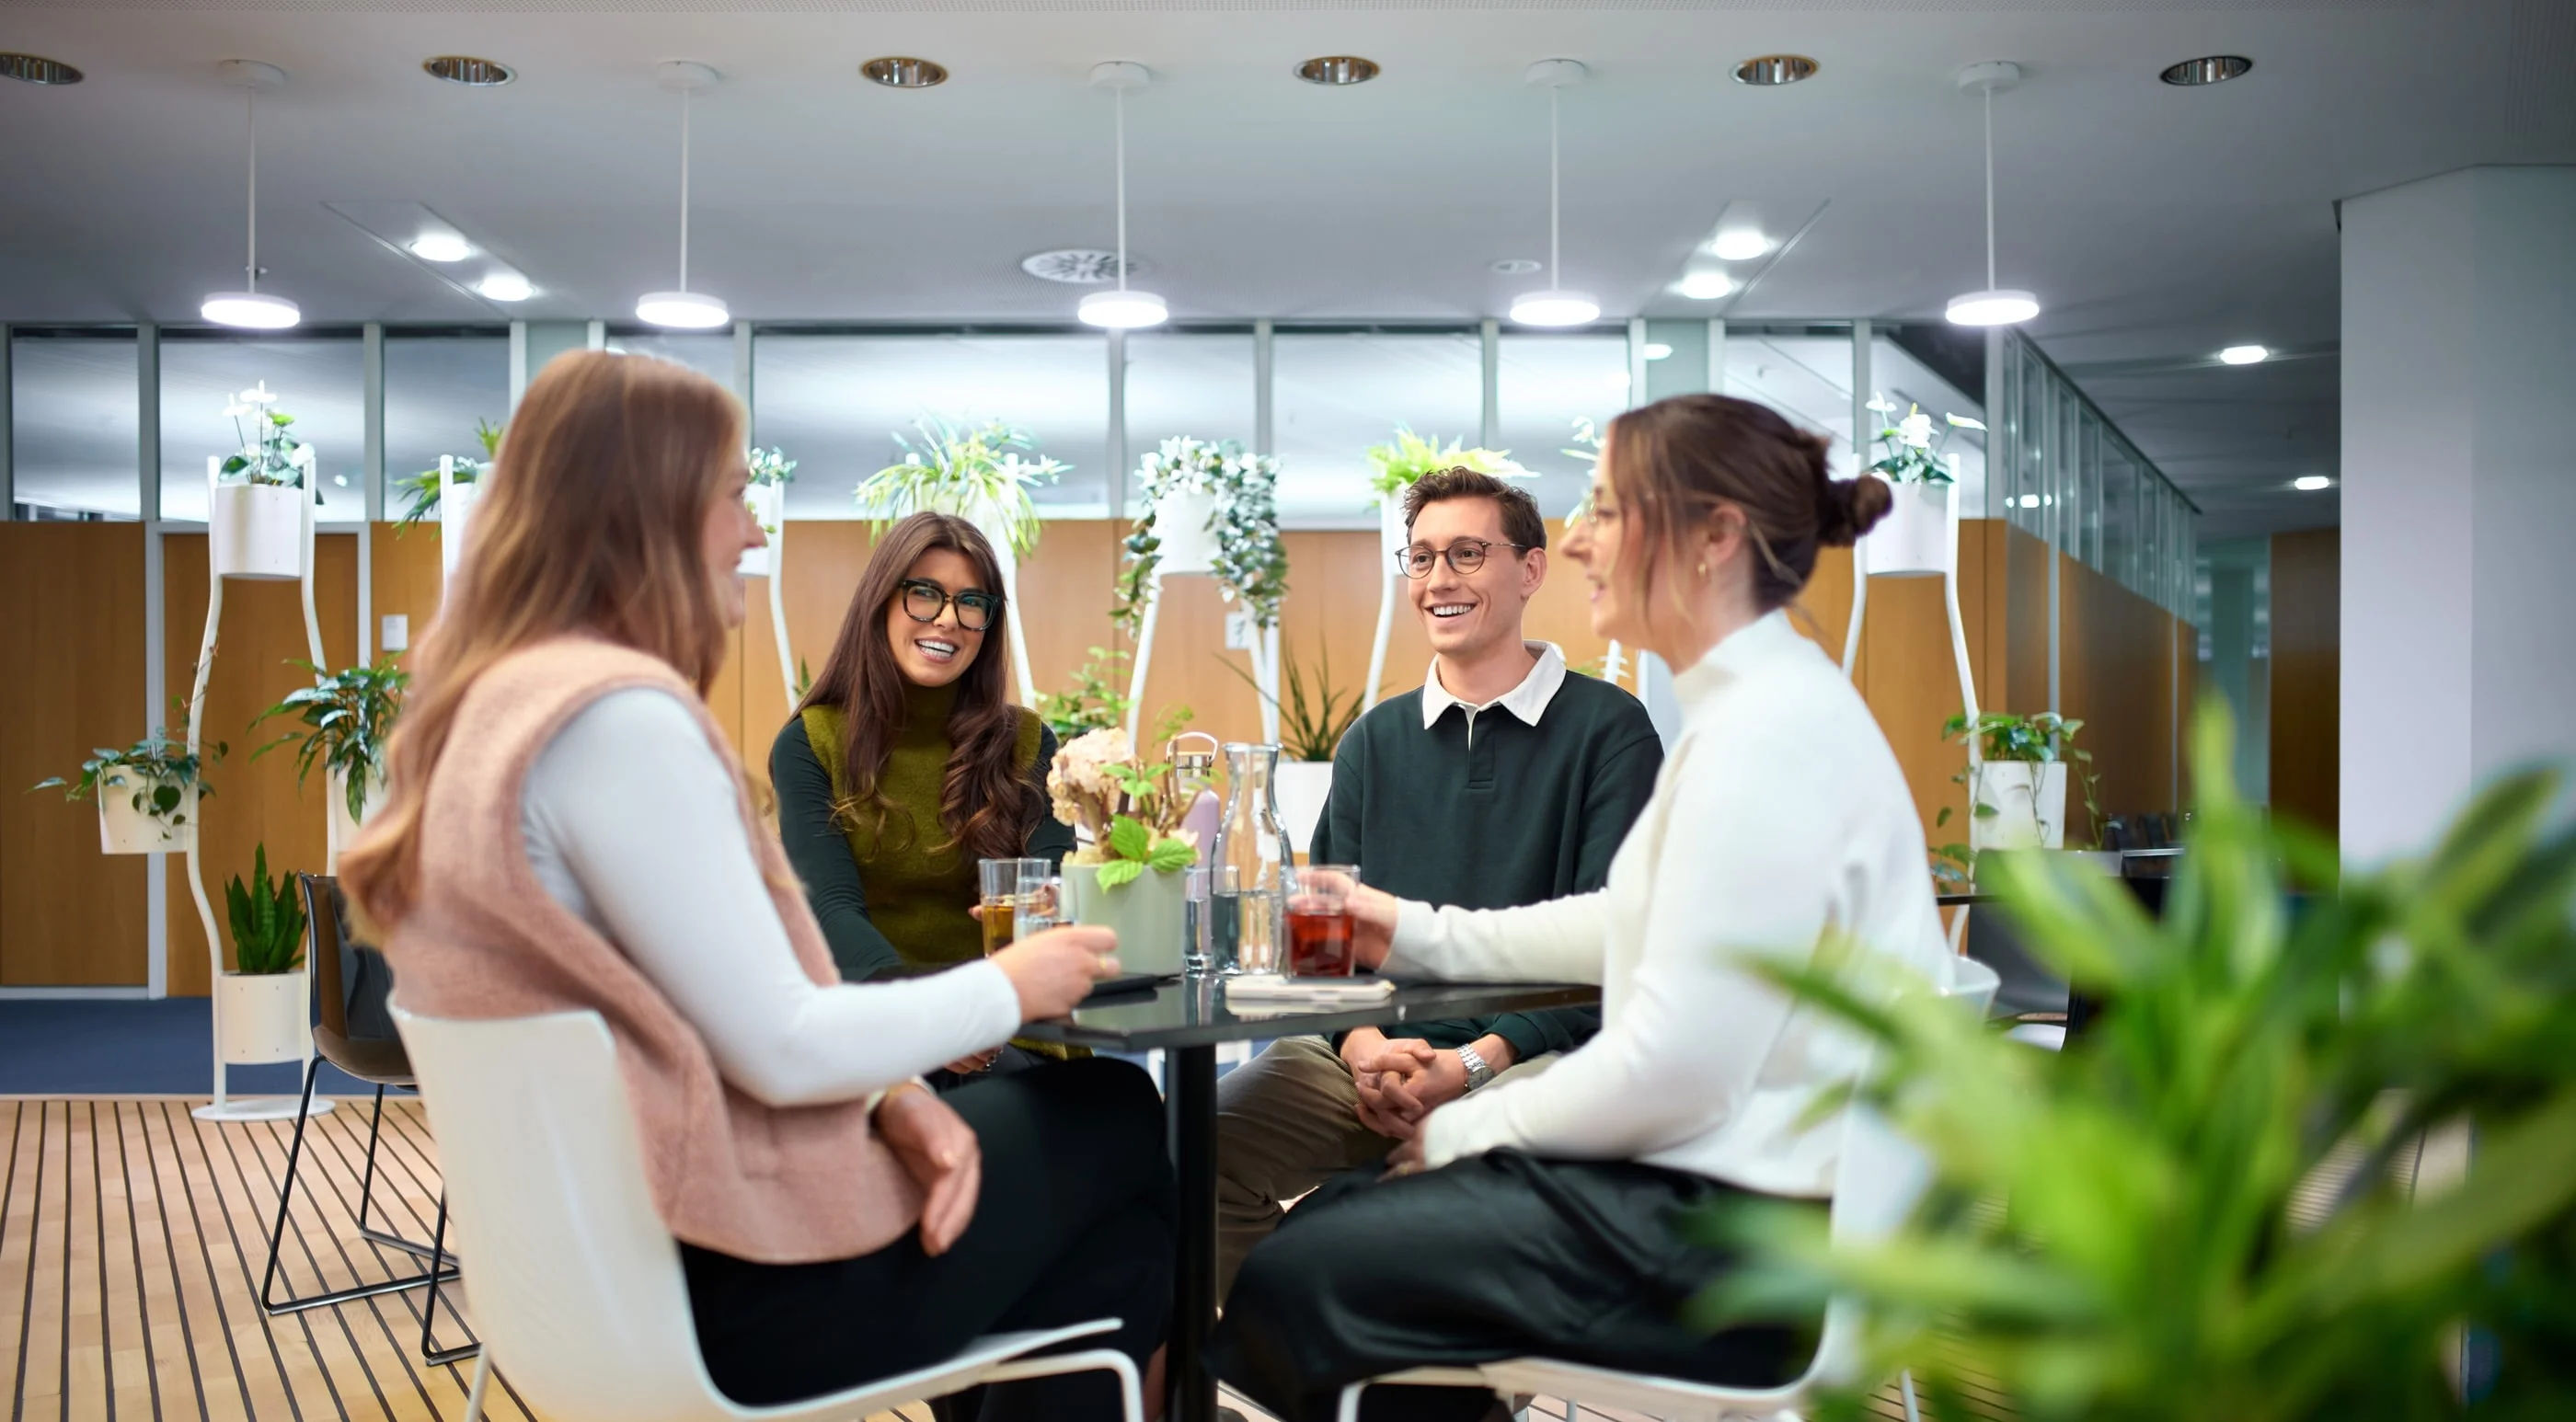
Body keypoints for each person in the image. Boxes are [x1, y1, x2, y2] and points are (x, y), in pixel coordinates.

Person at [342, 351, 1169, 1421]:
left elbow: (703, 998)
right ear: (649, 507)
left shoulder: (486, 718)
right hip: (735, 1295)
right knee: (1115, 1120)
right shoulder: (618, 721)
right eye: (734, 494)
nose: (753, 531)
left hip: (585, 1280)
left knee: (1105, 1260)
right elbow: (780, 1042)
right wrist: (1013, 986)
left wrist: (892, 1094)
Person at [1208, 394, 1951, 1422]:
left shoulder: (1758, 740)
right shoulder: (1757, 709)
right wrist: (1414, 929)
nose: (1579, 538)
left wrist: (1469, 1127)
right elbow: (1633, 920)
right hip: (1740, 1181)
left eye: (1606, 507)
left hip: (1748, 1239)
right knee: (1337, 1245)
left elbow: (1673, 1063)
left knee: (1317, 1267)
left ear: (1714, 538)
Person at [1212, 466, 1662, 1293]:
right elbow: (1321, 945)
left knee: (1444, 1213)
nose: (1439, 580)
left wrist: (1476, 1066)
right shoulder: (1370, 743)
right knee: (1197, 1154)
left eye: (1465, 553)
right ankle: (1315, 1377)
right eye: (1420, 559)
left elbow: (1624, 952)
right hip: (1371, 1057)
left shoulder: (1612, 733)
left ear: (1529, 571)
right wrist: (1365, 1047)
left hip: (1536, 1062)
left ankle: (1433, 1390)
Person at [772, 511, 1078, 1084]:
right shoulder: (811, 743)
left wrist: (1053, 908)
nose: (947, 619)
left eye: (970, 603)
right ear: (882, 601)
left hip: (1014, 1028)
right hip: (884, 1032)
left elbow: (1057, 884)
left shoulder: (1026, 740)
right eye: (925, 594)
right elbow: (831, 914)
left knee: (1123, 1098)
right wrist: (933, 1018)